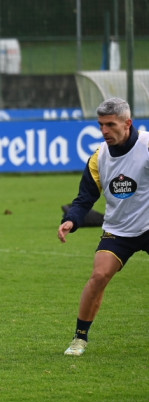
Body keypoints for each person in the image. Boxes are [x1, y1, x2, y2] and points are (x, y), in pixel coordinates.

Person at [58, 97, 149, 357]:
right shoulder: (99, 157)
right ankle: (79, 338)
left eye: (111, 124)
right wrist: (71, 220)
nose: (105, 131)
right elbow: (85, 198)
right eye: (101, 125)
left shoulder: (147, 146)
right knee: (98, 277)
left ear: (128, 123)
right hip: (118, 230)